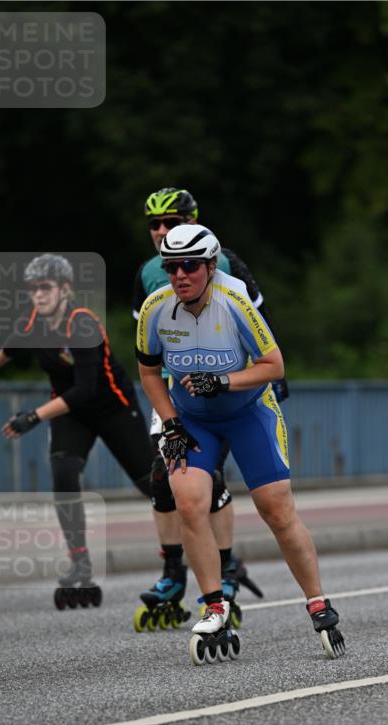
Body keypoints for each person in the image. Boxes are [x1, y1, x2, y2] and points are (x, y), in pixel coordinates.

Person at [136, 224, 344, 662]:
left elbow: (274, 365)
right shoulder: (156, 307)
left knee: (276, 509)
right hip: (193, 420)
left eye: (190, 265)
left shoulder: (235, 302)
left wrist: (223, 381)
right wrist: (170, 424)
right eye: (171, 266)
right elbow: (150, 372)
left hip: (249, 412)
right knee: (189, 502)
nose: (179, 275)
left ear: (211, 266)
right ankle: (215, 606)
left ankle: (318, 602)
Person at [132, 187, 275, 627]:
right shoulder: (147, 273)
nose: (161, 231)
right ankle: (173, 572)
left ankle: (226, 567)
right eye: (155, 224)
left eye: (171, 222)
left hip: (229, 391)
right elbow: (148, 352)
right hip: (177, 393)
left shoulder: (225, 263)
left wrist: (256, 384)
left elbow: (261, 333)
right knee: (164, 477)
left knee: (207, 479)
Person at [0, 254, 158, 609]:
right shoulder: (32, 321)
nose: (38, 295)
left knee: (151, 484)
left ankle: (197, 545)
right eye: (33, 289)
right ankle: (80, 559)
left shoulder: (82, 324)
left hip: (112, 407)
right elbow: (11, 346)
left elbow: (85, 390)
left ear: (65, 290)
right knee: (63, 473)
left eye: (45, 287)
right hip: (71, 413)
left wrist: (32, 418)